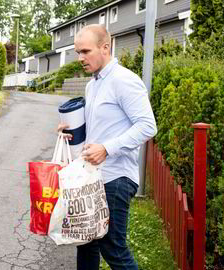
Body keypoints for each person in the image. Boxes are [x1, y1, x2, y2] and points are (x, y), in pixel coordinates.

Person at [59, 24, 157, 270]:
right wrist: (69, 131)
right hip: (92, 178)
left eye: (85, 51)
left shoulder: (124, 80)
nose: (80, 58)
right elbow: (98, 129)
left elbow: (147, 126)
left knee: (113, 248)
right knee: (87, 242)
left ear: (105, 47)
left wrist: (107, 147)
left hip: (116, 177)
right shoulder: (93, 84)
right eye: (77, 52)